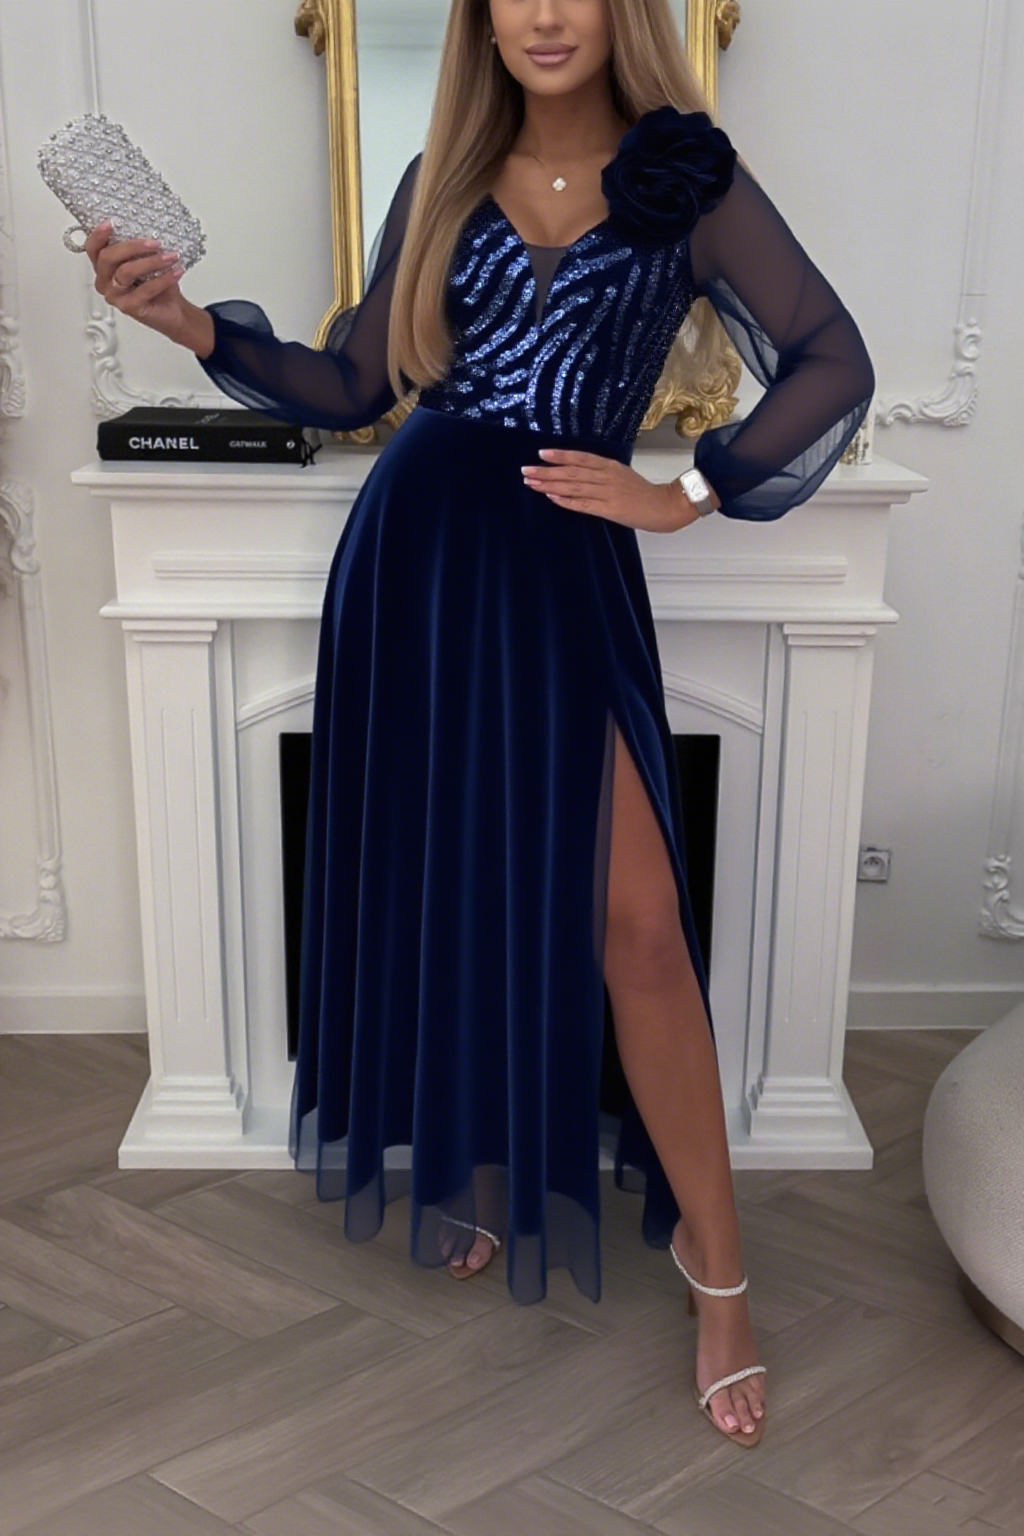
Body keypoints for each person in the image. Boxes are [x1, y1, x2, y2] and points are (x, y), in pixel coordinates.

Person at [83, 0, 874, 1450]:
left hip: (564, 568)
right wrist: (189, 323)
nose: (545, 13)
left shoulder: (688, 178)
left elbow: (833, 358)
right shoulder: (442, 177)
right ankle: (483, 1162)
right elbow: (352, 387)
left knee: (638, 925)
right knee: (459, 884)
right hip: (420, 559)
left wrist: (686, 492)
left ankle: (721, 1278)